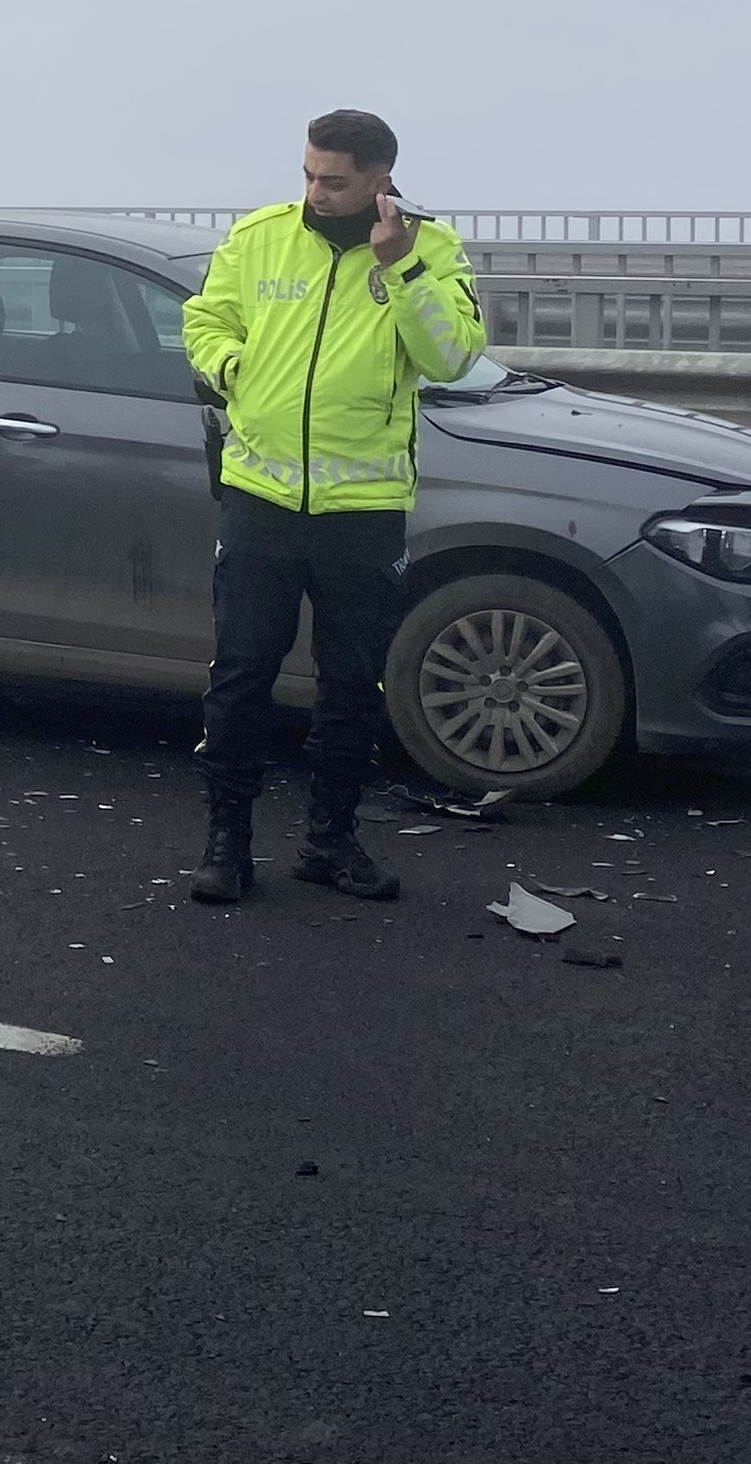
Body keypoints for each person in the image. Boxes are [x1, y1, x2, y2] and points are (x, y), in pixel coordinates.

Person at [177, 110, 486, 906]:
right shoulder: (261, 235)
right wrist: (231, 368)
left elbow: (450, 357)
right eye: (309, 174)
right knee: (241, 674)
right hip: (260, 499)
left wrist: (402, 270)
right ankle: (227, 843)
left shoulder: (432, 250)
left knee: (352, 684)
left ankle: (330, 841)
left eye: (334, 180)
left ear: (381, 179)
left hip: (364, 506)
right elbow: (205, 318)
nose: (316, 191)